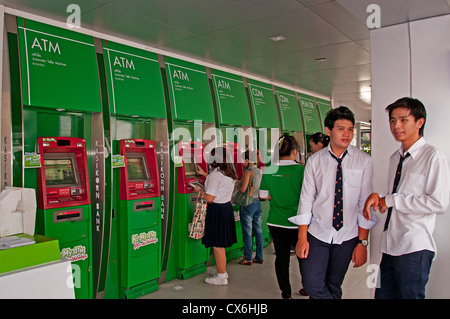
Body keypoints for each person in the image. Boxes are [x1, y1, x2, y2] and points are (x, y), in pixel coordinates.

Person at [363, 97, 450, 299]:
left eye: (403, 120)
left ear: (419, 122)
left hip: (414, 247)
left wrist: (391, 200)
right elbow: (399, 194)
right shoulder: (396, 158)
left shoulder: (433, 157)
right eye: (392, 121)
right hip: (390, 245)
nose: (396, 126)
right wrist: (381, 198)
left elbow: (439, 203)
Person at [291, 106, 377, 299]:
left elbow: (365, 203)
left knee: (333, 285)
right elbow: (306, 199)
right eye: (340, 129)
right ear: (329, 131)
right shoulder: (315, 161)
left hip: (347, 236)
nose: (346, 134)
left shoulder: (363, 161)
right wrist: (302, 237)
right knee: (312, 284)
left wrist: (362, 243)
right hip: (317, 232)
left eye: (350, 129)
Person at [259, 134, 305, 299]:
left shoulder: (270, 169)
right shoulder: (301, 169)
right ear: (294, 151)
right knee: (303, 256)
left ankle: (286, 294)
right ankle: (306, 286)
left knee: (282, 258)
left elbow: (264, 195)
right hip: (299, 222)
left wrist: (277, 196)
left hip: (276, 221)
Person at [194, 146, 237, 286]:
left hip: (216, 210)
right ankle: (221, 270)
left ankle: (221, 276)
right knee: (221, 243)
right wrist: (206, 175)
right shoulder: (229, 172)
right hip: (225, 208)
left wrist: (199, 190)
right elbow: (219, 185)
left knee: (218, 245)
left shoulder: (215, 175)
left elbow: (210, 197)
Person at [237, 150, 264, 265]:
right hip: (257, 202)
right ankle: (259, 257)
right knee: (258, 230)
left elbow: (243, 189)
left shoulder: (248, 172)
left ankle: (248, 257)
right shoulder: (259, 171)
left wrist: (236, 183)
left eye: (243, 160)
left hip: (248, 204)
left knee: (247, 232)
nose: (242, 163)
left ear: (248, 160)